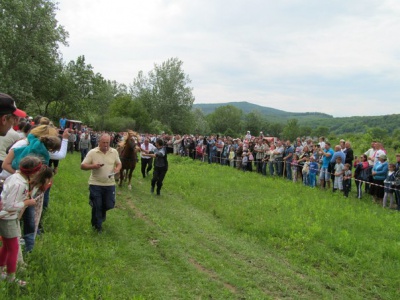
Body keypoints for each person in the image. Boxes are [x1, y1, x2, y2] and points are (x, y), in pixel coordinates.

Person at [0, 156, 49, 286]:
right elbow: (10, 205)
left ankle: (1, 272)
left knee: (6, 246)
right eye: (38, 170)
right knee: (13, 248)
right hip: (8, 218)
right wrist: (27, 202)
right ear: (33, 171)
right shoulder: (19, 184)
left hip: (8, 217)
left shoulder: (16, 177)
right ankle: (11, 277)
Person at [81, 134, 121, 233]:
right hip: (95, 184)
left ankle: (99, 213)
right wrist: (93, 166)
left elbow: (119, 163)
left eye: (107, 142)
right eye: (104, 142)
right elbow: (83, 166)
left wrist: (117, 169)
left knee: (109, 204)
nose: (106, 145)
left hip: (110, 184)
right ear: (99, 142)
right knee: (97, 205)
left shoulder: (114, 152)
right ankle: (97, 227)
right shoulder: (93, 152)